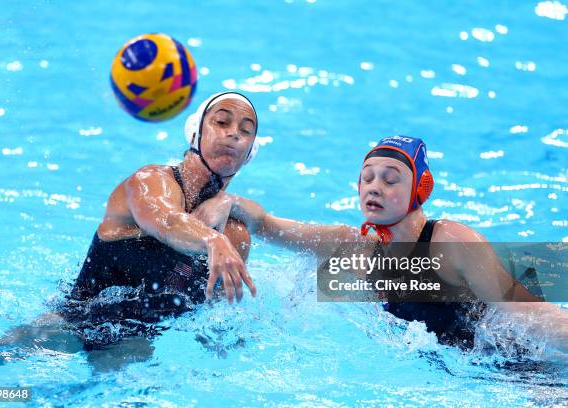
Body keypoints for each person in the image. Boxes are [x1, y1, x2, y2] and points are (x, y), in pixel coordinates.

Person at [195, 135, 568, 350]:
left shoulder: (449, 241)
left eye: (391, 179)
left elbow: (525, 310)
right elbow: (268, 224)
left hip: (513, 366)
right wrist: (230, 202)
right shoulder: (355, 246)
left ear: (420, 189)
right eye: (367, 178)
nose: (374, 186)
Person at [63, 91, 260, 327]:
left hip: (142, 345)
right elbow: (168, 222)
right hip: (69, 325)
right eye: (221, 122)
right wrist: (212, 239)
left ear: (249, 154)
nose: (233, 134)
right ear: (195, 134)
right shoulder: (148, 182)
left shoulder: (234, 236)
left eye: (246, 131)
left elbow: (215, 323)